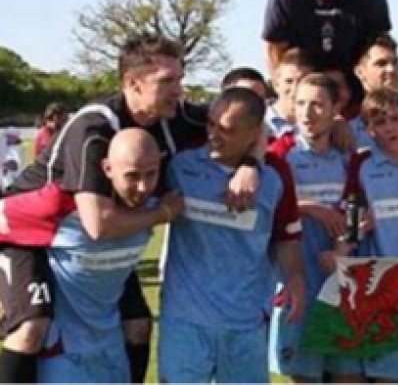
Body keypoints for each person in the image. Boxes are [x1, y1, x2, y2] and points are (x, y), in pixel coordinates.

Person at [0, 34, 258, 385]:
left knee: (138, 326)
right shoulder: (95, 128)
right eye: (167, 81)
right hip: (25, 234)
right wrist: (164, 212)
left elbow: (252, 122)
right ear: (133, 84)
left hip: (86, 241)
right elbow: (99, 224)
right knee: (32, 327)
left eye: (180, 79)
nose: (179, 90)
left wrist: (250, 166)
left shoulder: (176, 116)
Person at [0, 129, 182, 383]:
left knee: (139, 326)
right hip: (62, 346)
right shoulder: (60, 207)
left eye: (151, 174)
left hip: (108, 343)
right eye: (131, 176)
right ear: (107, 169)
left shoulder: (160, 201)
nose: (142, 187)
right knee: (30, 330)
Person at [158, 88, 304, 384]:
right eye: (211, 124)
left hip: (245, 320)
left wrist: (295, 277)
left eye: (227, 130)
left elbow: (285, 237)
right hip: (184, 319)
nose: (213, 135)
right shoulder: (180, 164)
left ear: (255, 134)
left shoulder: (275, 176)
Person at [266, 73, 362, 384]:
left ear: (336, 109)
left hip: (341, 283)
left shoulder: (347, 158)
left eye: (318, 105)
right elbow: (265, 210)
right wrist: (307, 207)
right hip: (297, 285)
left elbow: (356, 211)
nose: (307, 113)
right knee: (305, 377)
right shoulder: (279, 154)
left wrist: (342, 250)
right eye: (301, 103)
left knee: (348, 375)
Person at [338, 89, 398, 383]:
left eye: (396, 119)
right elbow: (352, 220)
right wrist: (350, 238)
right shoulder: (362, 166)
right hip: (381, 286)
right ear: (369, 129)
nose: (390, 128)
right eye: (380, 122)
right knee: (386, 375)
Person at [263, 0, 391, 108]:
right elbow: (275, 50)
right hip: (302, 85)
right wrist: (287, 94)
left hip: (354, 86)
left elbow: (380, 48)